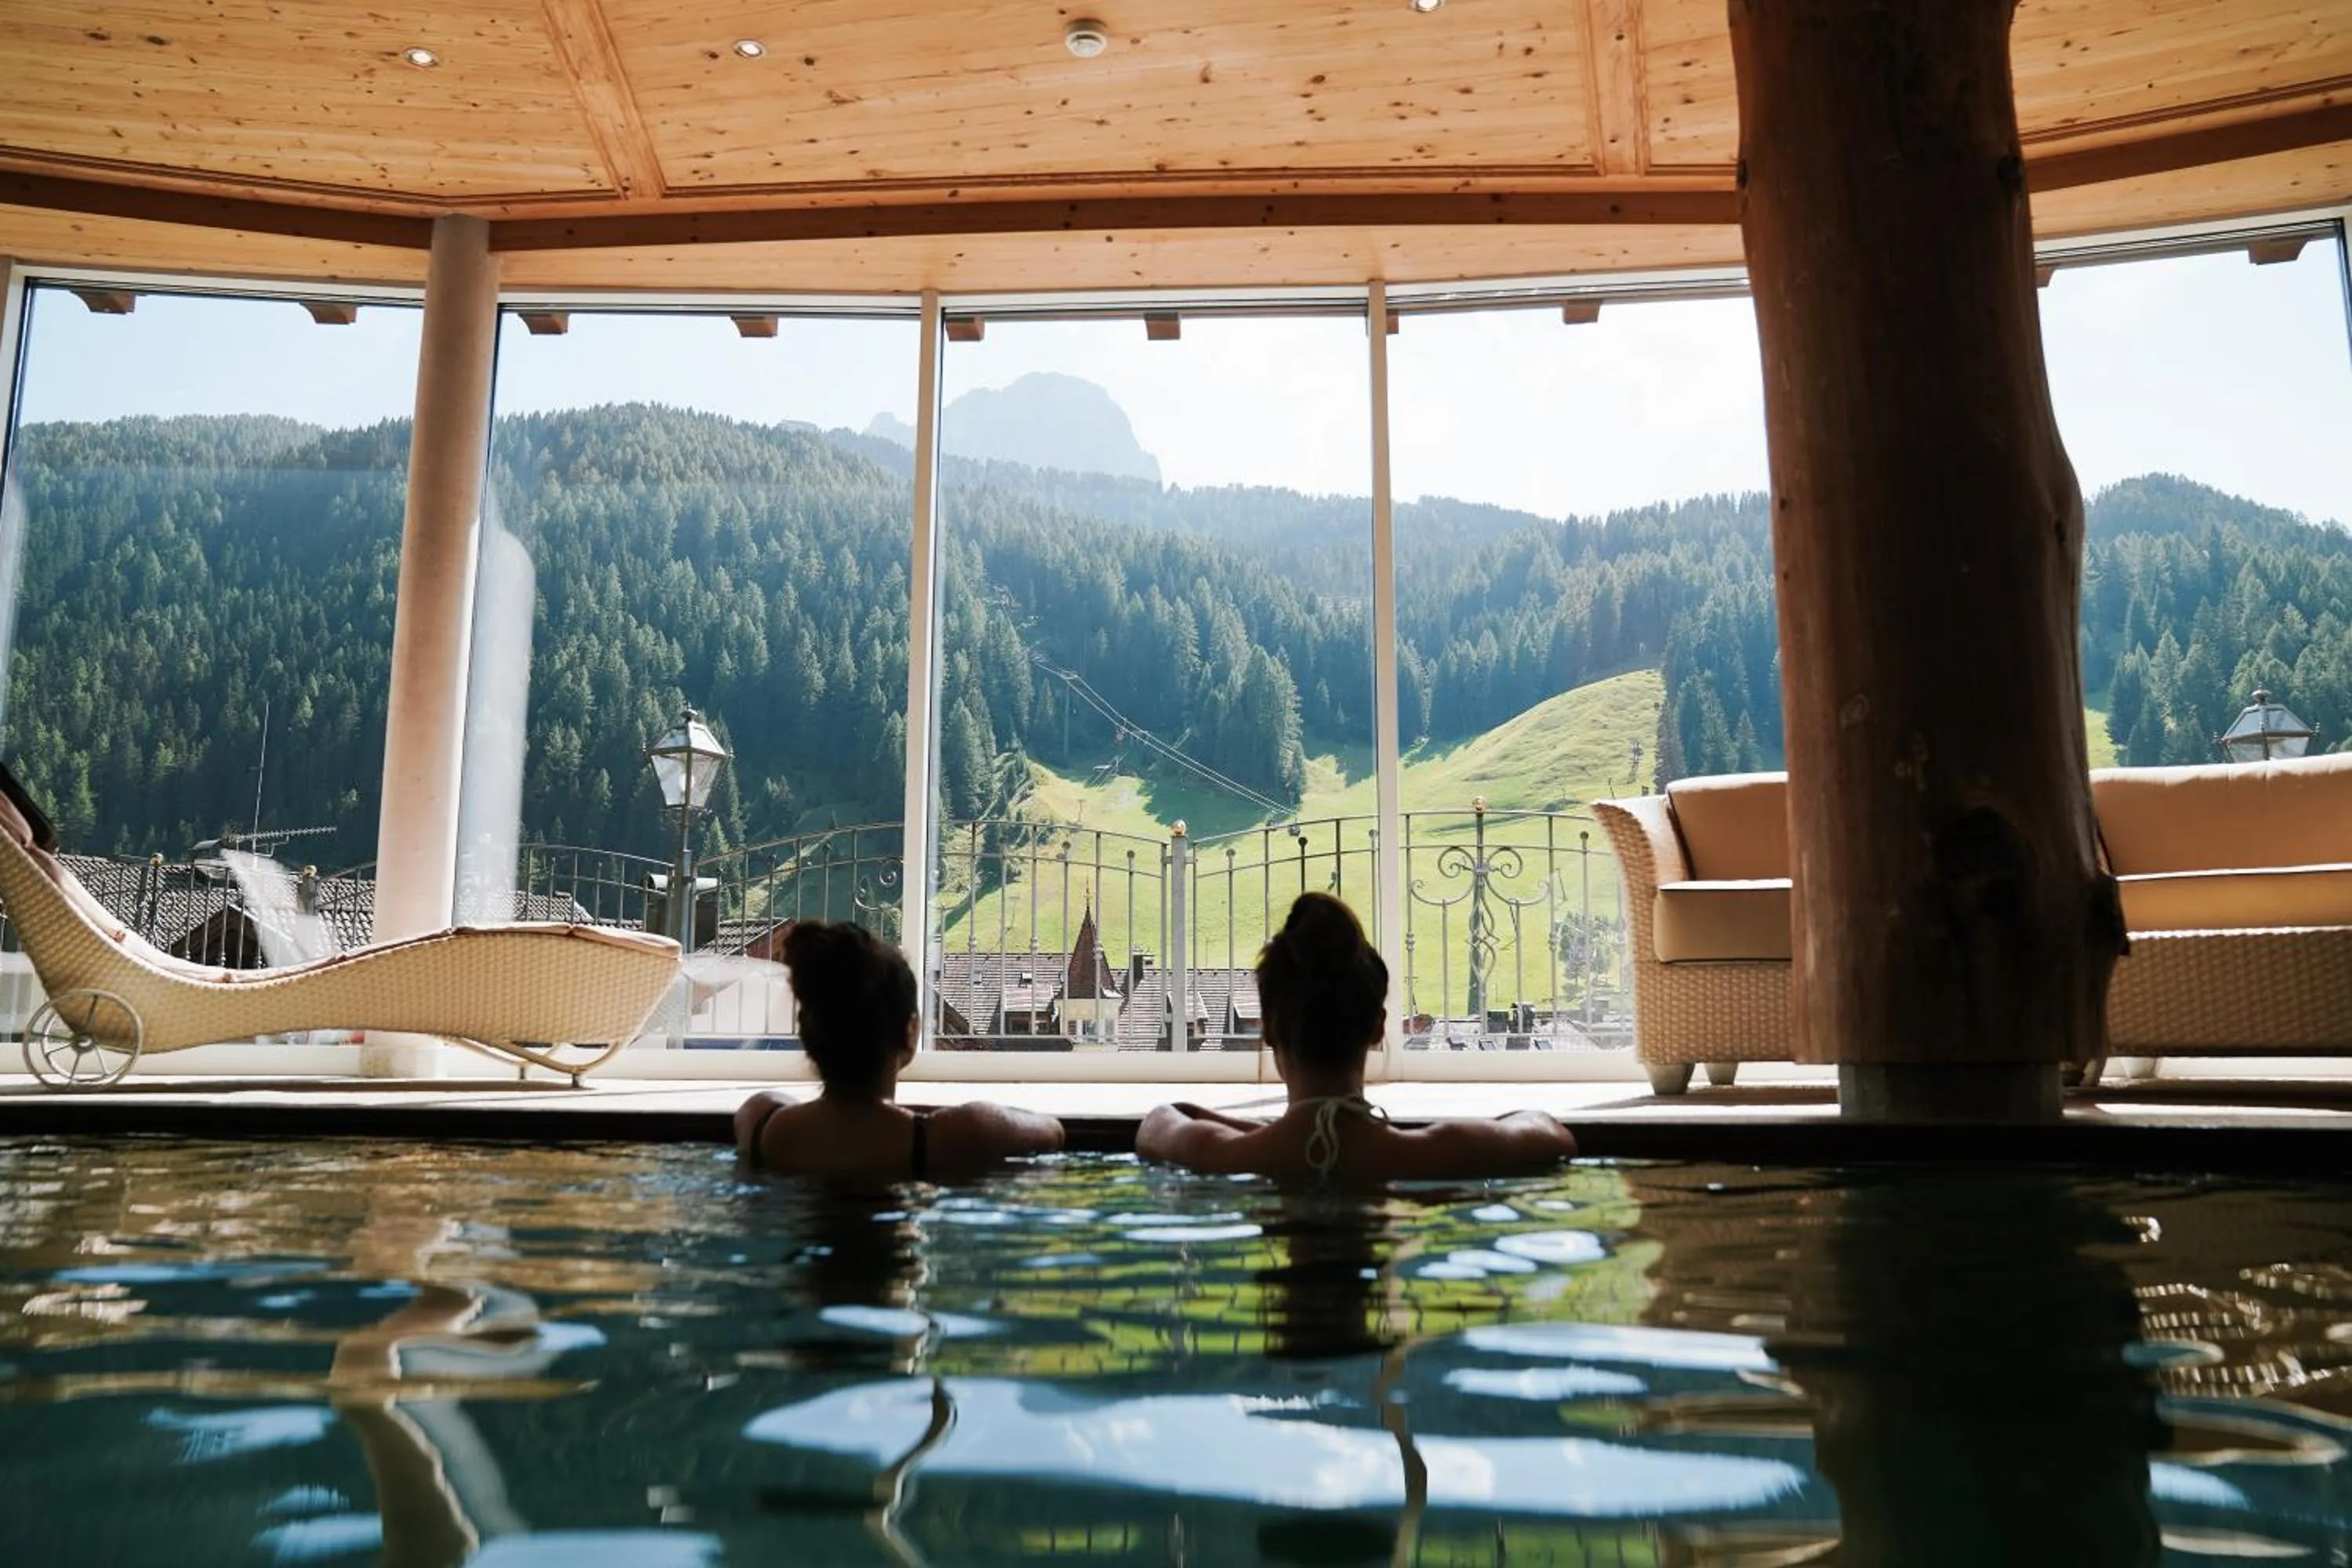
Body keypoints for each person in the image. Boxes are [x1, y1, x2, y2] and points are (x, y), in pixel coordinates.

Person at [1136, 893, 1575, 1181]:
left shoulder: (1227, 1155)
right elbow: (1549, 1132)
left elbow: (1161, 1119)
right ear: (1377, 1029)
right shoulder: (1431, 1152)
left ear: (1268, 1028)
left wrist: (1275, 1130)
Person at [735, 920, 1065, 1178]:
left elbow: (812, 1111)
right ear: (911, 1033)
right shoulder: (950, 1135)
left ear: (808, 1034)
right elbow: (1053, 1131)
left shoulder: (761, 1123)